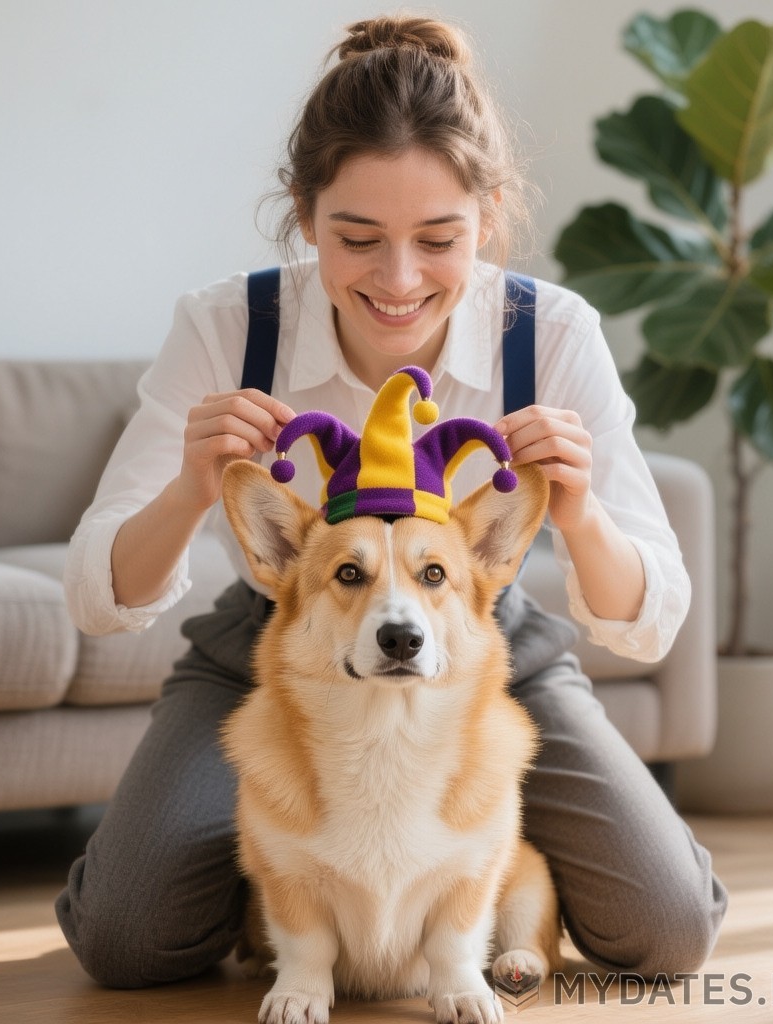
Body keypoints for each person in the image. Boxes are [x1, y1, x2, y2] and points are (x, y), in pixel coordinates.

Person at [56, 14, 726, 990]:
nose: (399, 280)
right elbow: (93, 593)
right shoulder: (227, 325)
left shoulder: (550, 334)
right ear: (302, 210)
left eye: (439, 239)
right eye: (357, 237)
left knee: (667, 933)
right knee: (125, 941)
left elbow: (650, 616)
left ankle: (466, 838)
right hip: (282, 632)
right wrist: (190, 487)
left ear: (489, 216)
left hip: (482, 627)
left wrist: (579, 514)